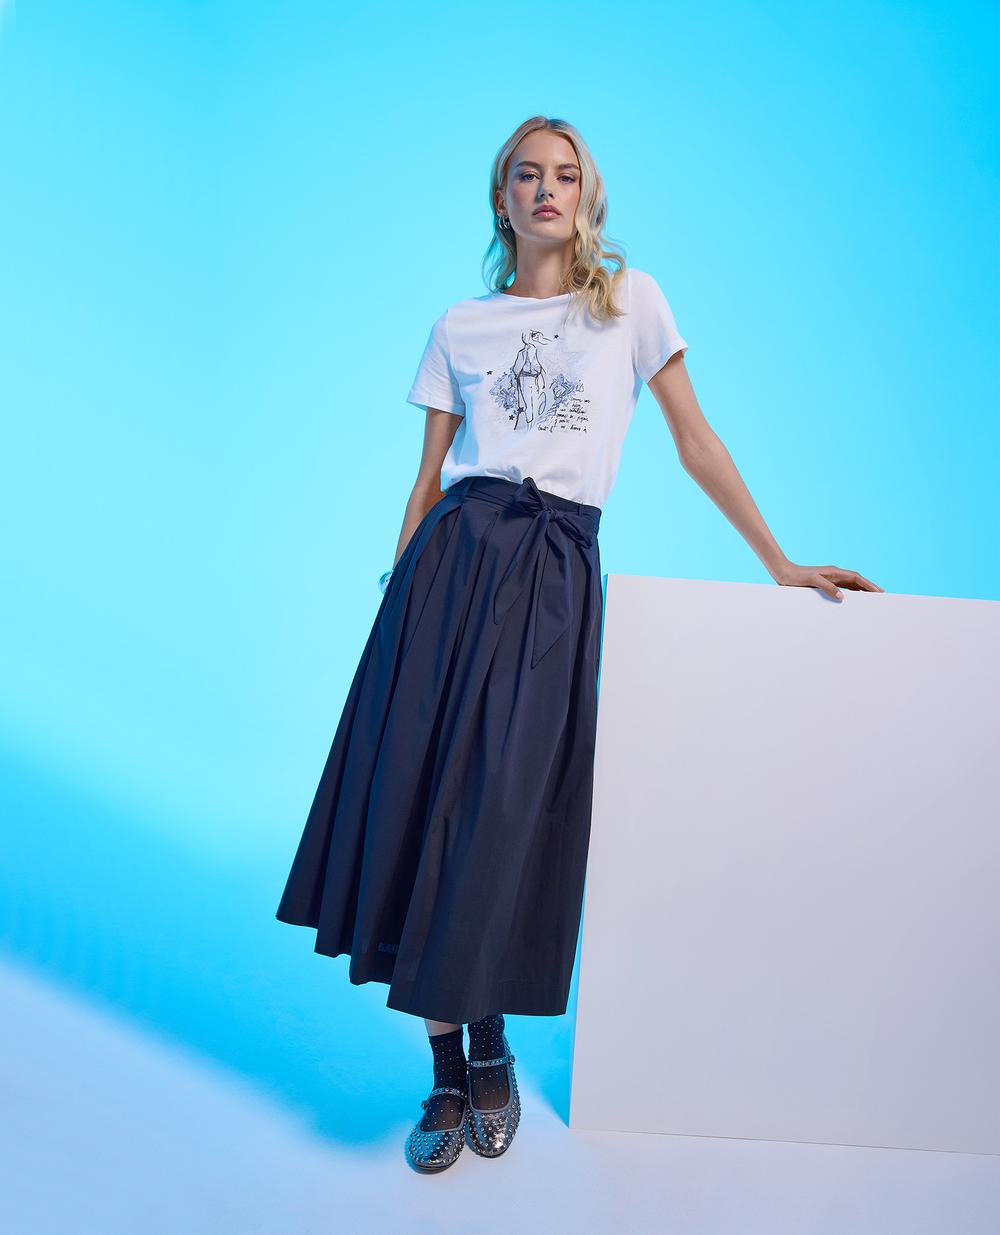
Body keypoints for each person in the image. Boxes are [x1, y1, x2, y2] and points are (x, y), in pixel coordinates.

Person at [275, 114, 883, 1174]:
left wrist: (779, 560)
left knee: (503, 803)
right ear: (501, 198)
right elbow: (426, 481)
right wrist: (393, 604)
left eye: (565, 174)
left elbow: (695, 440)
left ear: (585, 197)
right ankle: (450, 1066)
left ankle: (492, 1040)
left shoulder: (629, 302)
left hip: (554, 571)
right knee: (420, 800)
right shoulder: (460, 324)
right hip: (449, 569)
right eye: (527, 174)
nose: (546, 189)